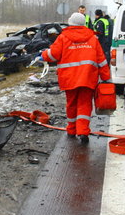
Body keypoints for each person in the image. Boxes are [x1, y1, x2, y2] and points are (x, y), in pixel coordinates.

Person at [40, 12, 111, 144]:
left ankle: (71, 130)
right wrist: (106, 78)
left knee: (71, 104)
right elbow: (101, 60)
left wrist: (43, 55)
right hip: (88, 78)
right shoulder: (92, 39)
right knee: (85, 104)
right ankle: (83, 131)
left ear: (70, 23)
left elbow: (53, 55)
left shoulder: (63, 37)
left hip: (69, 78)